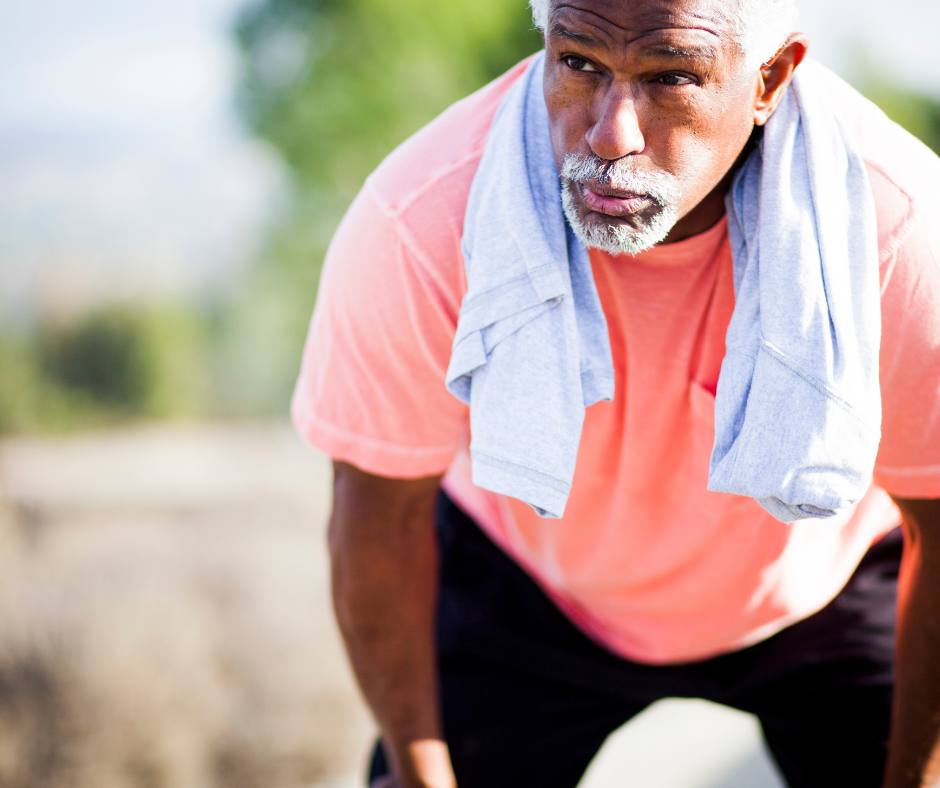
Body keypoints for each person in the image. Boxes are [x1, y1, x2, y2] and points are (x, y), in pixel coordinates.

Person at [291, 0, 940, 786]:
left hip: (818, 589)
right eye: (578, 63)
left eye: (671, 76)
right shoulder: (423, 219)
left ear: (771, 77)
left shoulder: (900, 228)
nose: (610, 134)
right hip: (531, 590)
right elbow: (378, 519)